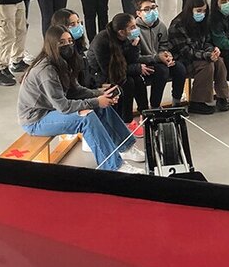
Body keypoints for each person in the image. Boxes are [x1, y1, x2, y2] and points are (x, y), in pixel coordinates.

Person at [18, 25, 146, 174]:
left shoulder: (62, 62)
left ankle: (125, 147)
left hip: (51, 109)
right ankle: (113, 166)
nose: (68, 45)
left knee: (100, 106)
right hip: (36, 120)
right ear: (52, 44)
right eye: (62, 42)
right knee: (86, 118)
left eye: (69, 41)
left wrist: (99, 94)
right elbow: (64, 107)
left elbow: (75, 90)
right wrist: (97, 101)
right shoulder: (46, 71)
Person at [168, 0, 229, 114]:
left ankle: (222, 97)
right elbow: (185, 51)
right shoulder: (177, 25)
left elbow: (207, 41)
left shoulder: (204, 21)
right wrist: (206, 55)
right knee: (207, 65)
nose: (202, 13)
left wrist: (212, 51)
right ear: (190, 9)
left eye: (204, 10)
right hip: (182, 59)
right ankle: (197, 102)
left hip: (199, 54)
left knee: (219, 61)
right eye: (199, 10)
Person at [90, 13, 154, 124]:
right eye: (132, 27)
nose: (136, 29)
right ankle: (126, 120)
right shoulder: (102, 41)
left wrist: (134, 46)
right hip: (101, 74)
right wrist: (136, 68)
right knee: (128, 83)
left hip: (121, 70)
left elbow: (133, 60)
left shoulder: (130, 38)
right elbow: (109, 70)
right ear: (121, 32)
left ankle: (145, 114)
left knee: (138, 80)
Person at [134, 0, 187, 108]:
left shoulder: (161, 26)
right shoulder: (135, 30)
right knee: (162, 71)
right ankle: (155, 106)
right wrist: (158, 57)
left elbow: (164, 45)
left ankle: (176, 103)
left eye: (153, 7)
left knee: (180, 68)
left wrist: (167, 55)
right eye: (147, 9)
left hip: (159, 59)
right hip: (144, 62)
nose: (152, 11)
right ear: (138, 13)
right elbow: (136, 55)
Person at [49, 8, 93, 88]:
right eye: (72, 25)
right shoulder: (62, 54)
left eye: (78, 22)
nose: (78, 26)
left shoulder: (80, 47)